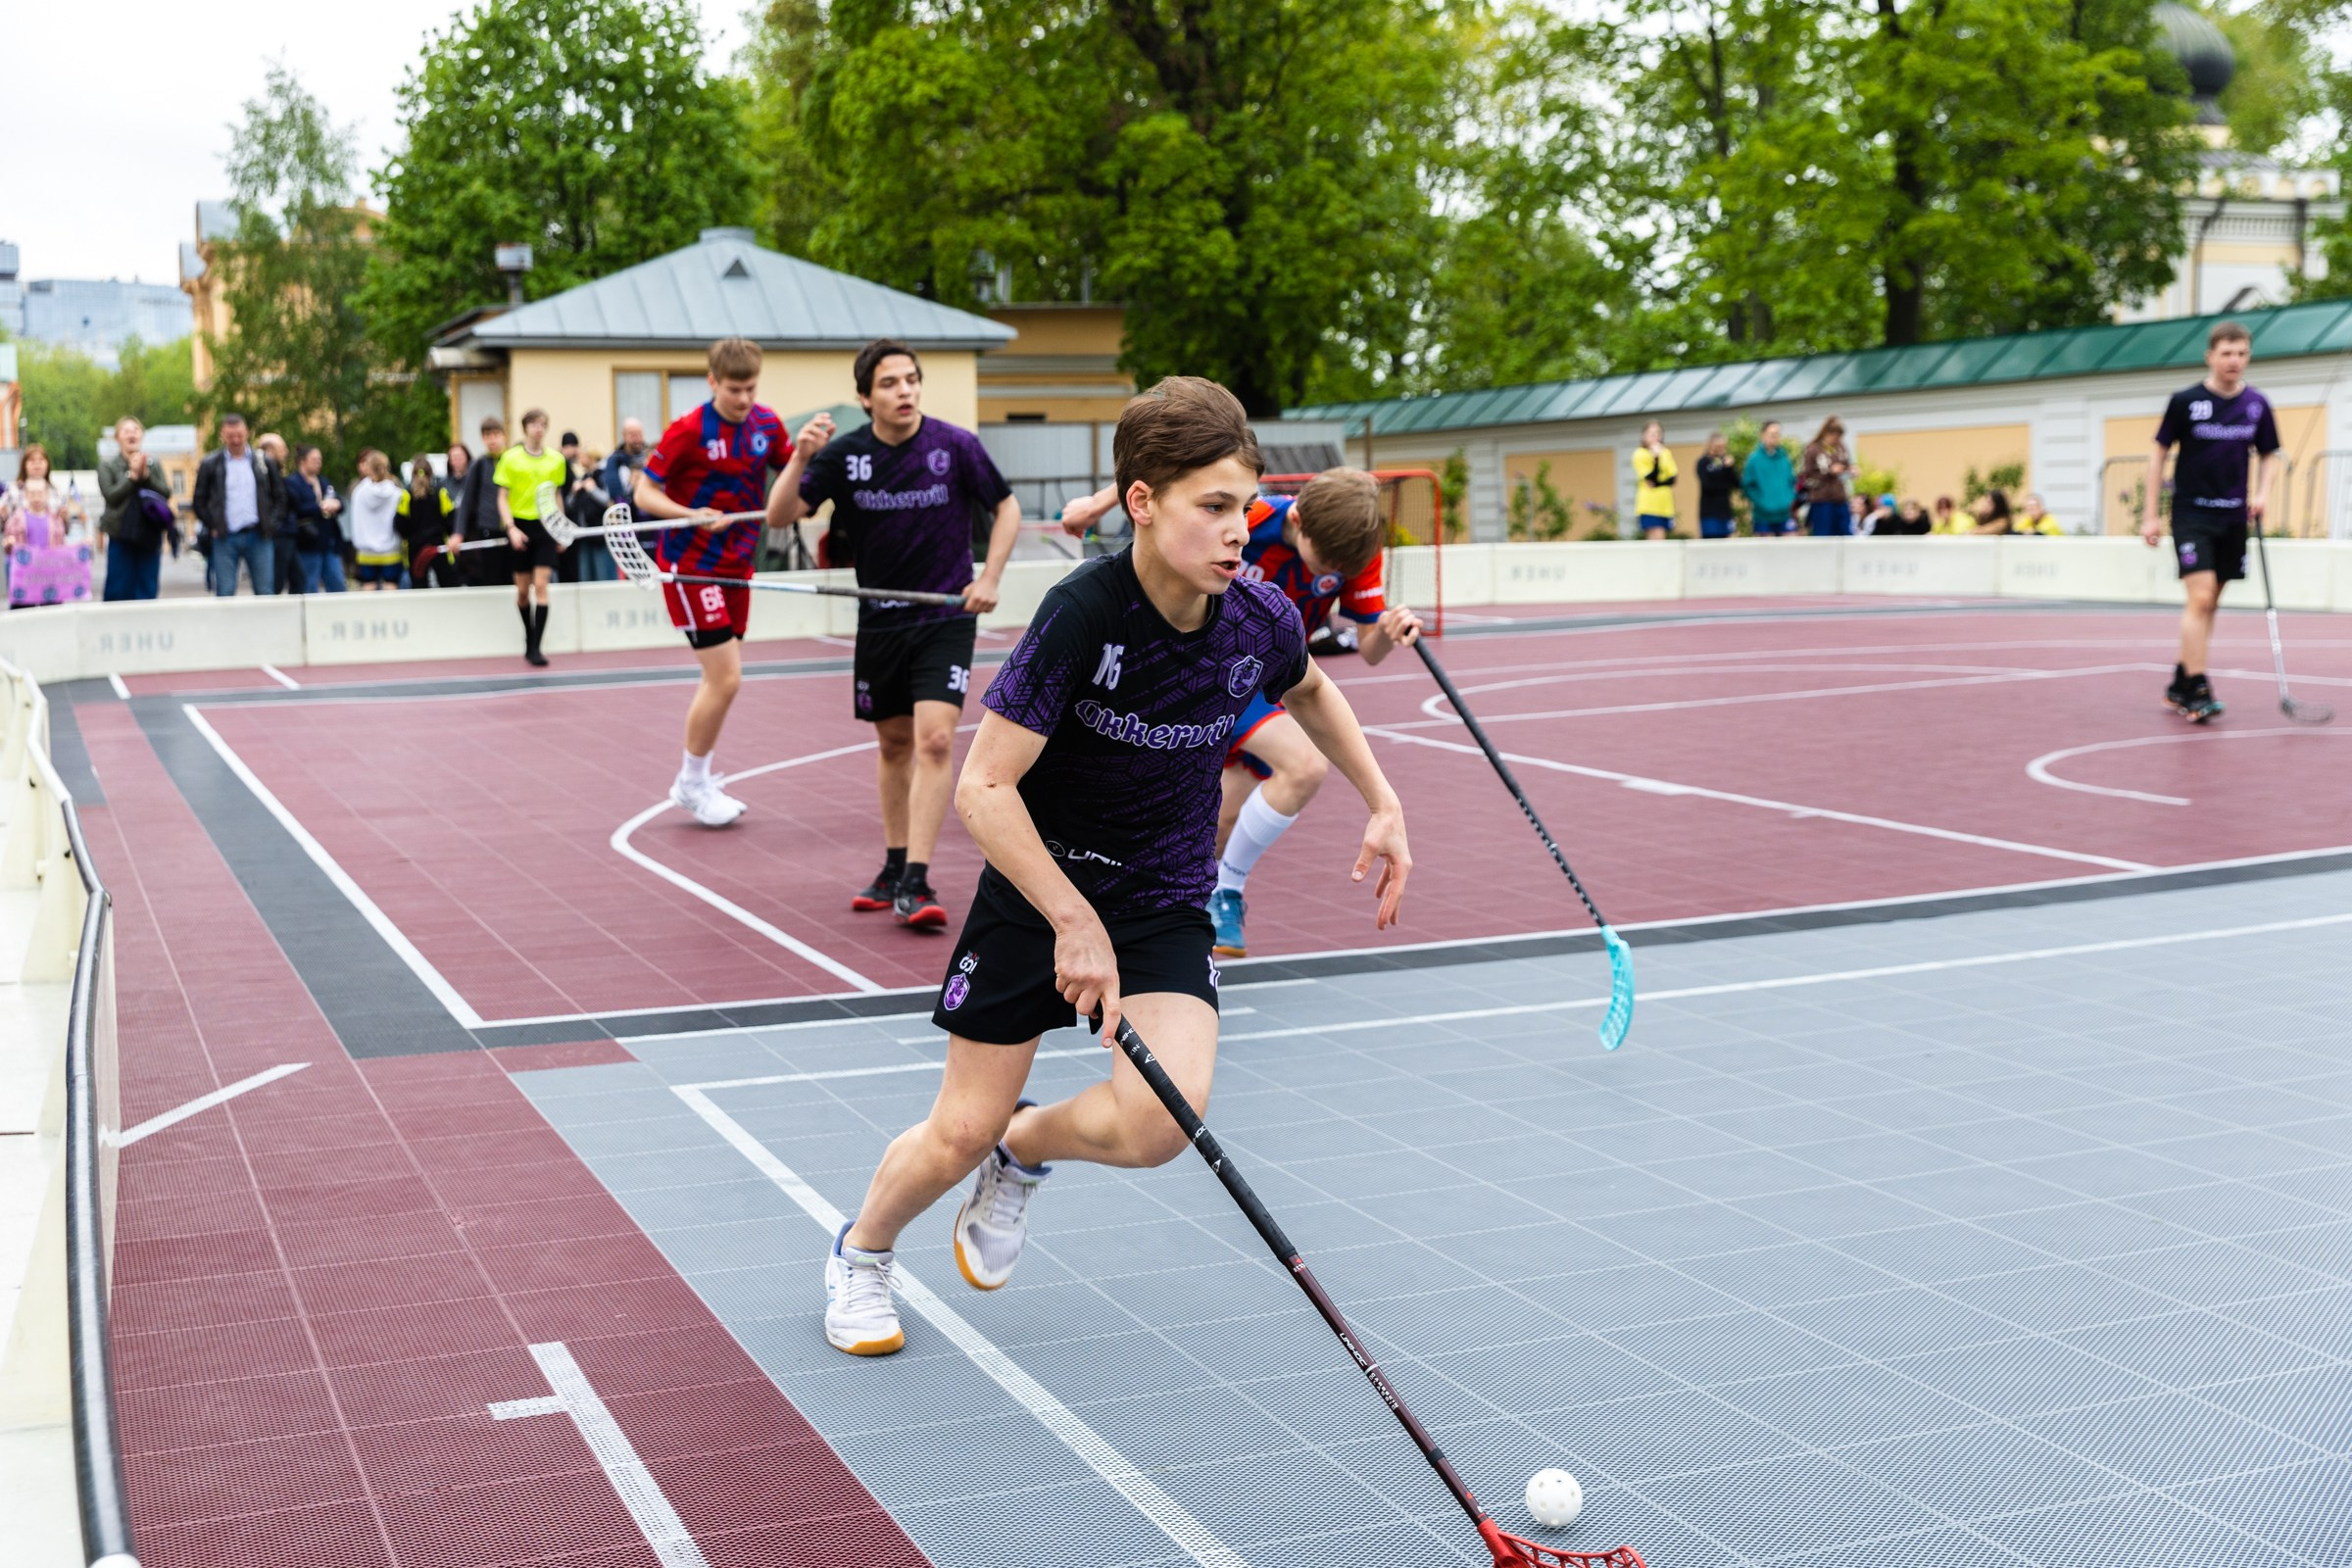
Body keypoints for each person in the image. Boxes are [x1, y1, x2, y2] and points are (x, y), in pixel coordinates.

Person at [819, 375, 1412, 1356]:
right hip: (1039, 889)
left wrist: (1383, 800)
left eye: (1246, 508)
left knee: (1159, 1123)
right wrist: (1069, 918)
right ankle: (864, 1250)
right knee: (955, 1128)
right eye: (1212, 507)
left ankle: (1027, 1147)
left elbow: (1309, 693)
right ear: (1141, 502)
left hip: (1164, 896)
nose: (1237, 531)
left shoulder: (1254, 616)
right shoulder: (1084, 614)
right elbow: (982, 788)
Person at [1059, 466, 1423, 956]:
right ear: (1299, 518)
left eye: (1340, 567)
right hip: (1209, 667)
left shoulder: (1354, 549)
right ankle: (1226, 893)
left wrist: (1388, 628)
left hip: (1275, 682)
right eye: (1324, 561)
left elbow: (1370, 650)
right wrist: (1099, 505)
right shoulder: (1247, 517)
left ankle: (1171, 913)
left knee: (1218, 824)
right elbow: (1169, 477)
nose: (1329, 573)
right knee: (1304, 765)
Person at [780, 338, 1022, 930]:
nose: (905, 390)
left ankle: (917, 878)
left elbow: (1008, 507)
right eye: (889, 383)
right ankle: (893, 866)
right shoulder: (843, 455)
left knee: (935, 740)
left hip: (944, 619)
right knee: (892, 745)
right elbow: (780, 516)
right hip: (880, 622)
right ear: (865, 397)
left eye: (911, 379)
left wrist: (988, 576)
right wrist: (799, 458)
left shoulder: (955, 445)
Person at [630, 337, 820, 826]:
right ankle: (692, 783)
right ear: (713, 382)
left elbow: (791, 473)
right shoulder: (688, 430)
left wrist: (810, 462)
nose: (744, 399)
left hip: (739, 565)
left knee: (720, 675)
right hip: (693, 566)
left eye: (751, 388)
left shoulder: (766, 422)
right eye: (735, 389)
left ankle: (697, 776)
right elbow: (645, 492)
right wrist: (690, 515)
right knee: (726, 677)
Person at [2143, 319, 2279, 723]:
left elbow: (2270, 453)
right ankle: (2198, 687)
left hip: (2233, 516)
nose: (2234, 361)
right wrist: (2150, 515)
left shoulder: (2256, 404)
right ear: (2210, 357)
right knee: (2200, 599)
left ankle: (2180, 682)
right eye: (2227, 353)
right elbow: (2157, 454)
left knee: (2210, 604)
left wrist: (2263, 493)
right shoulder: (2186, 401)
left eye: (2241, 353)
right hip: (2192, 514)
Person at [494, 409, 568, 664]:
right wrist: (511, 527)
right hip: (521, 526)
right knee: (523, 592)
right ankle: (529, 638)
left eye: (542, 424)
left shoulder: (556, 460)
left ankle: (537, 646)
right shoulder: (510, 458)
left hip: (546, 525)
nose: (538, 428)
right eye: (534, 424)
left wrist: (561, 528)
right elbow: (502, 497)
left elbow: (557, 494)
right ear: (525, 428)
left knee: (542, 586)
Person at [193, 413, 283, 595]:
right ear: (222, 435)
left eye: (239, 435)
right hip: (226, 537)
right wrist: (213, 524)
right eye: (230, 436)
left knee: (265, 591)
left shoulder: (263, 462)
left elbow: (280, 496)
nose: (235, 440)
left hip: (259, 534)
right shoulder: (211, 463)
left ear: (247, 433)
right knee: (225, 592)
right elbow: (199, 500)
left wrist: (271, 524)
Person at [97, 420, 173, 601]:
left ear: (142, 435)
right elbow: (111, 496)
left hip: (150, 534)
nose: (131, 434)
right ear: (117, 438)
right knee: (118, 589)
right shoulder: (107, 465)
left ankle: (146, 627)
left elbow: (166, 493)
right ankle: (114, 627)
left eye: (136, 430)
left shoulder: (153, 464)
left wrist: (146, 476)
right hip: (120, 534)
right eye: (126, 431)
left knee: (148, 588)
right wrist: (131, 477)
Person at [454, 416, 513, 588]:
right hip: (488, 529)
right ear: (483, 438)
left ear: (503, 435)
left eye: (495, 434)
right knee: (491, 578)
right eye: (487, 435)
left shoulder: (512, 461)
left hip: (513, 528)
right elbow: (466, 501)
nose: (492, 439)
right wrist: (459, 532)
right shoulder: (478, 465)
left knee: (514, 577)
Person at [282, 446, 348, 593]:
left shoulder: (323, 481)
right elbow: (295, 508)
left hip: (329, 541)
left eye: (320, 460)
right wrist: (320, 507)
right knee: (309, 583)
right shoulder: (293, 482)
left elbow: (338, 501)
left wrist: (336, 504)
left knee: (337, 581)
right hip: (308, 542)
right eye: (314, 460)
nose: (318, 463)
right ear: (302, 461)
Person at [345, 451, 406, 590]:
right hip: (391, 550)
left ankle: (368, 613)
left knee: (368, 586)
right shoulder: (397, 493)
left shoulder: (359, 492)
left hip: (366, 550)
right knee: (391, 585)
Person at [398, 457, 456, 587]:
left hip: (415, 548)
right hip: (439, 547)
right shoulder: (441, 493)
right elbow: (451, 520)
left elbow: (400, 524)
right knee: (449, 586)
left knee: (419, 589)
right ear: (431, 474)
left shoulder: (406, 495)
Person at [1798, 417, 1854, 536]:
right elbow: (1806, 479)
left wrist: (1851, 470)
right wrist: (1829, 472)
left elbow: (1847, 465)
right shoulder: (1812, 449)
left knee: (1846, 533)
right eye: (1834, 437)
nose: (1837, 441)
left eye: (1839, 437)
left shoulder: (1840, 448)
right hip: (1821, 501)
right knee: (1824, 536)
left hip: (1840, 499)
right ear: (1826, 433)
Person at [1740, 420, 1796, 537]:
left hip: (1784, 514)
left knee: (1790, 548)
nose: (1775, 437)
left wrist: (1788, 500)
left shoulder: (1784, 458)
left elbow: (1791, 482)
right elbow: (1748, 486)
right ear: (1763, 435)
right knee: (1766, 551)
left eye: (1777, 434)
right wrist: (1762, 502)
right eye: (1772, 434)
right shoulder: (1754, 460)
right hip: (1763, 516)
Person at [1632, 421, 1676, 539]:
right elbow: (1650, 477)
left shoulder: (1666, 452)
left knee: (1662, 537)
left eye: (1658, 433)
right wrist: (1656, 459)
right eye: (1651, 433)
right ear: (1644, 435)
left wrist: (1657, 484)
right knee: (1655, 536)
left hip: (1665, 504)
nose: (1655, 436)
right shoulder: (1640, 454)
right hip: (1649, 504)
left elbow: (1672, 479)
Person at [1694, 431, 1739, 539]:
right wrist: (1724, 483)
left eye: (1722, 447)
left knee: (1726, 542)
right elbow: (1707, 485)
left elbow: (1737, 484)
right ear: (1710, 445)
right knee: (1710, 541)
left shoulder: (1725, 462)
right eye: (1717, 446)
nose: (1719, 450)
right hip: (1709, 512)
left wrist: (1730, 468)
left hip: (1725, 510)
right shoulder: (1703, 462)